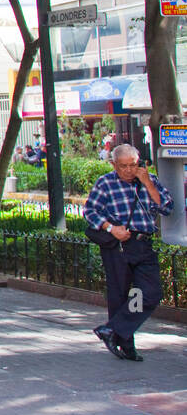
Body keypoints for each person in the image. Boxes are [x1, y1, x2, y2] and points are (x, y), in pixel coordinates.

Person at [82, 144, 173, 361]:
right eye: (124, 166)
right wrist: (111, 228)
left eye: (133, 164)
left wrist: (148, 183)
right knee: (120, 295)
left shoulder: (147, 181)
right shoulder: (106, 183)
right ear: (114, 165)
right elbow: (89, 211)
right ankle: (125, 345)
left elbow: (167, 207)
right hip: (119, 244)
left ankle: (111, 330)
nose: (129, 170)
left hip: (144, 243)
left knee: (149, 293)